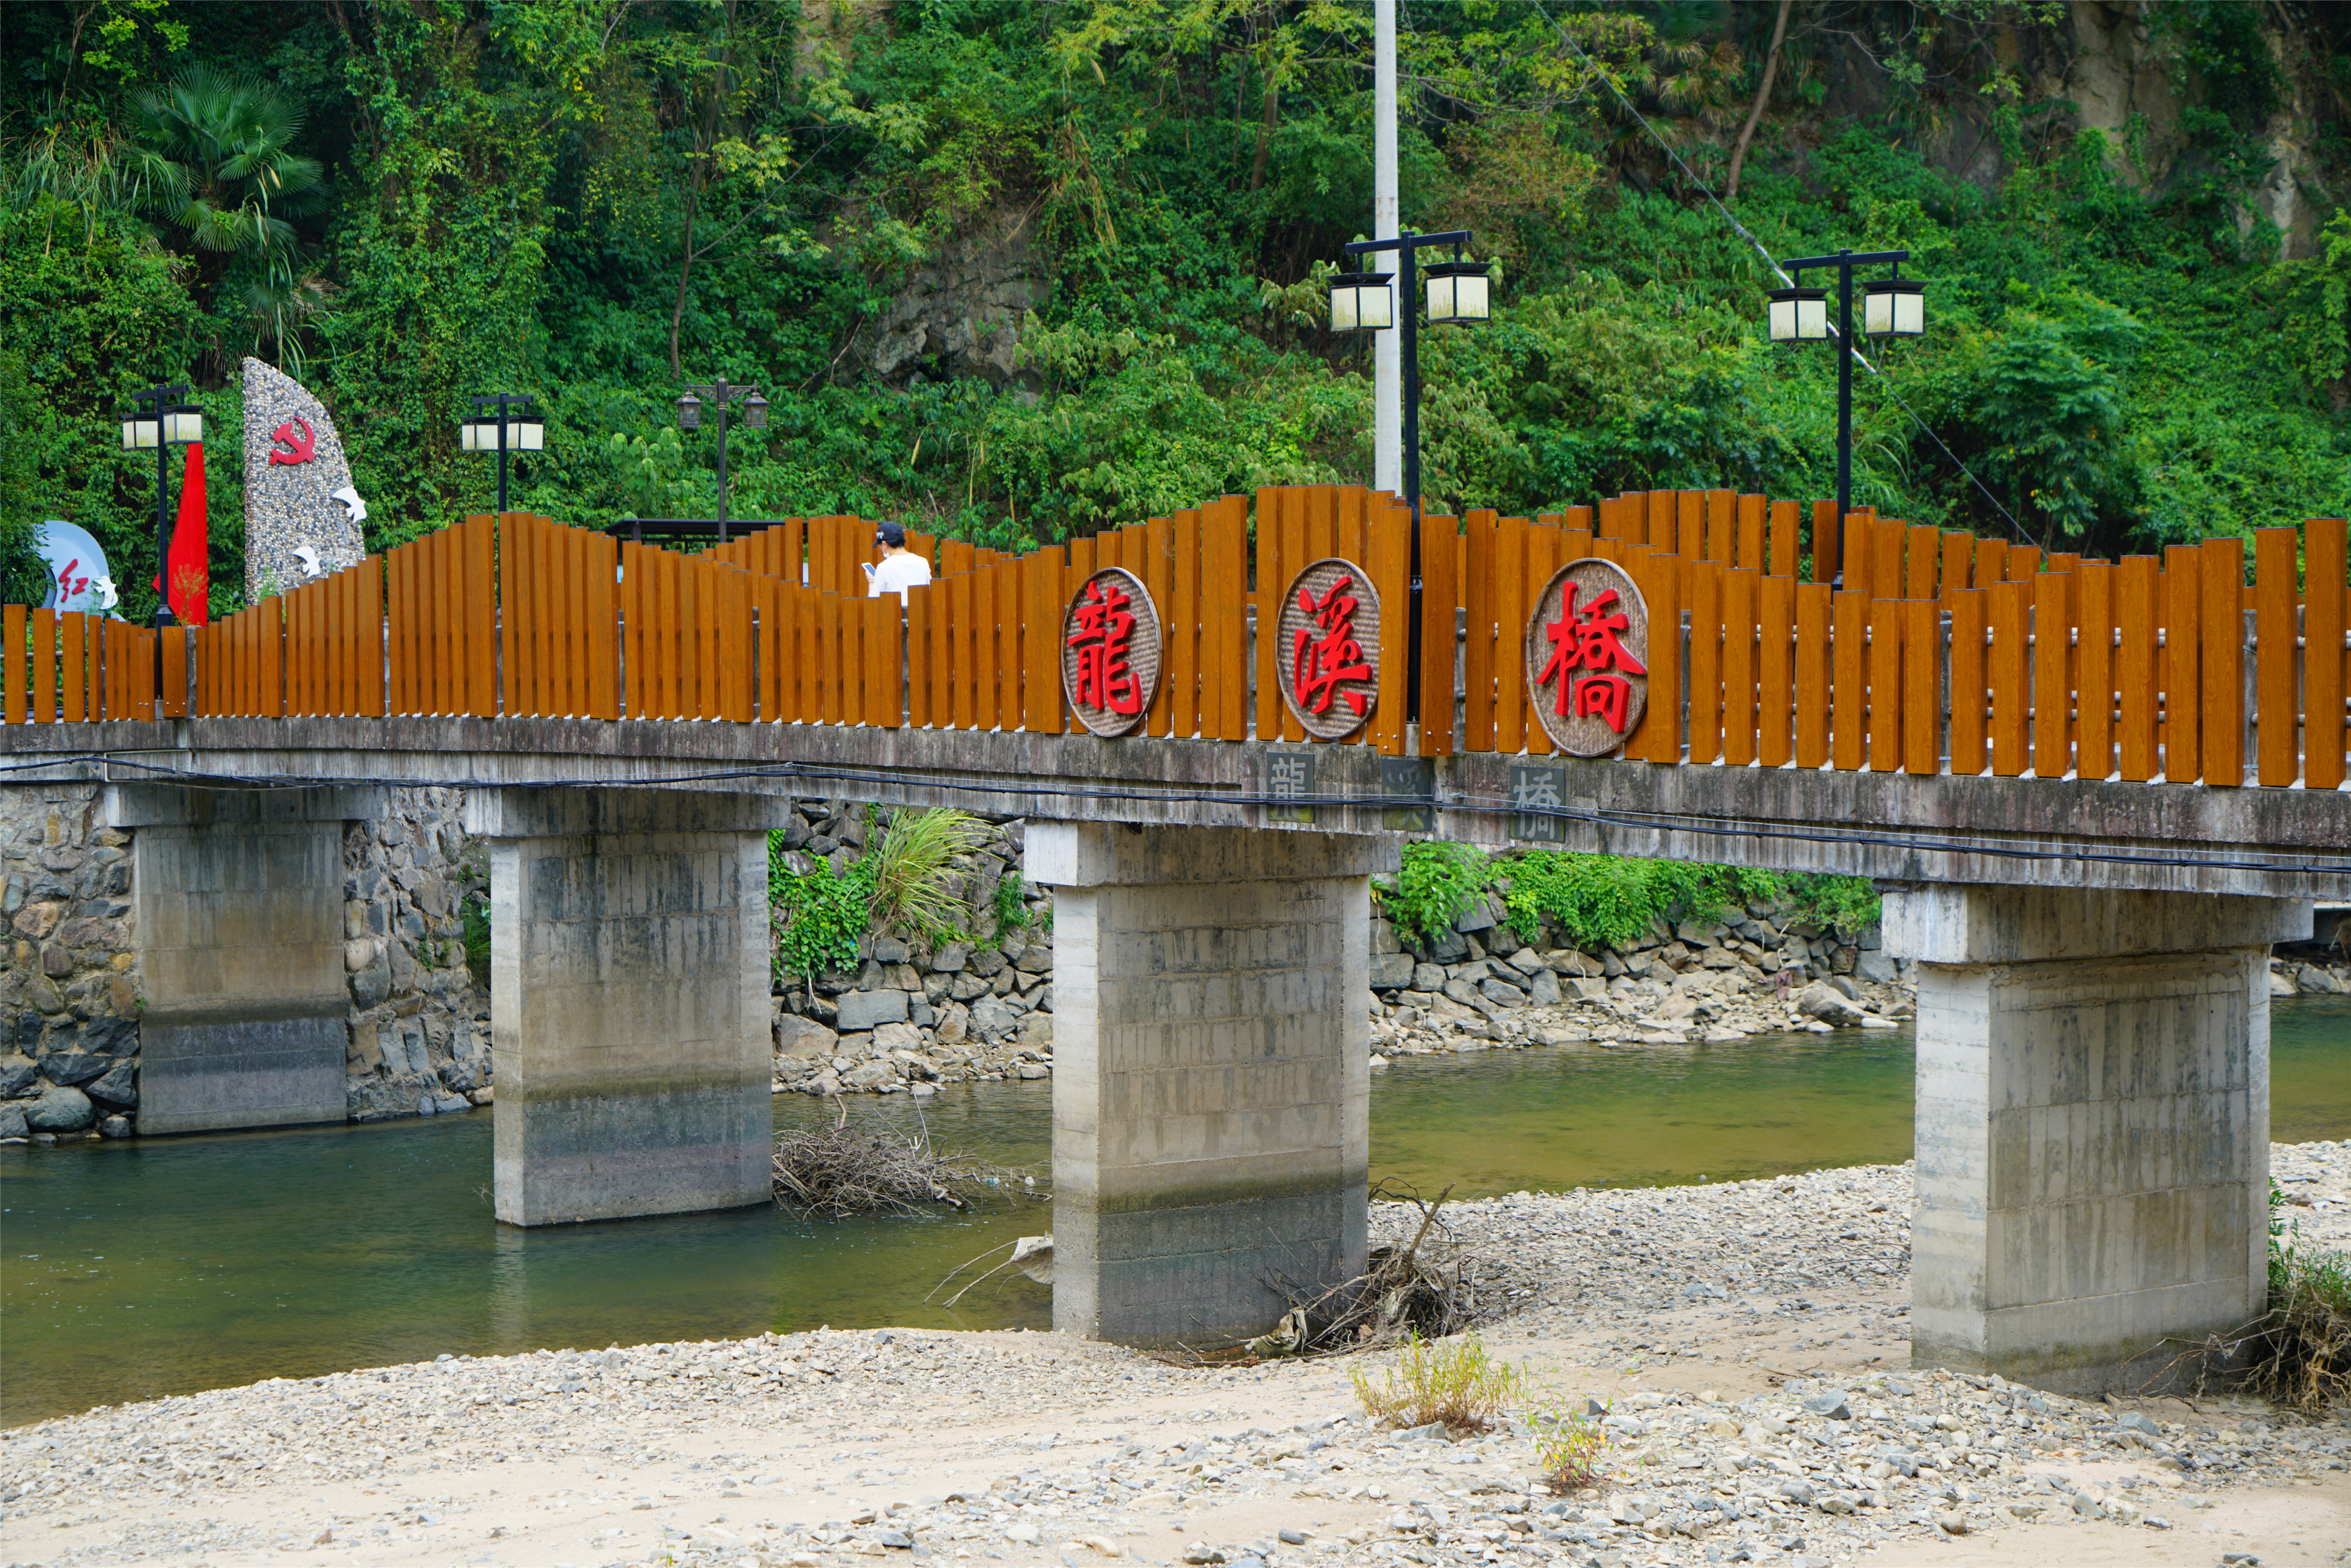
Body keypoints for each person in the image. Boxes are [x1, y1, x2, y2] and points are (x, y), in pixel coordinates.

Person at [863, 521, 933, 599]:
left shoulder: (883, 567)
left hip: (894, 611)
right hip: (919, 610)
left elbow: (873, 603)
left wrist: (871, 582)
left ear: (884, 545)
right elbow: (929, 591)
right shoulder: (923, 562)